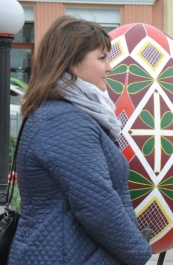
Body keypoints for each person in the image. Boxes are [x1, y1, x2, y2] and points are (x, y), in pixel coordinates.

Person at [8, 16, 152, 265]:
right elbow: (98, 205)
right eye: (102, 57)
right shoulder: (64, 121)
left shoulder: (63, 114)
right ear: (73, 64)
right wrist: (139, 252)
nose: (109, 67)